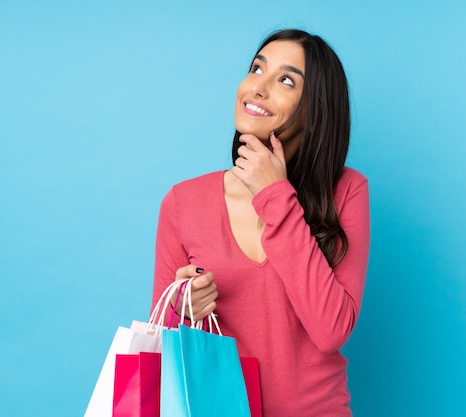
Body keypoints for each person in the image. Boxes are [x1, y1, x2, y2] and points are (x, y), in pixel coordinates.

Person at [151, 28, 370, 417]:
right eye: (256, 69)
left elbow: (332, 329)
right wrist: (183, 310)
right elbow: (163, 342)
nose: (258, 88)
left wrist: (276, 197)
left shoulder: (347, 191)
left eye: (286, 80)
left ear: (314, 107)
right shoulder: (182, 202)